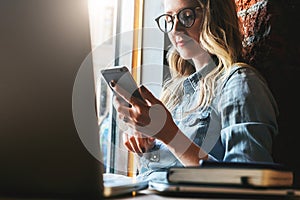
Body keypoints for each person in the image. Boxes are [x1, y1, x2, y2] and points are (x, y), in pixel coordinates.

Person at [110, 0, 279, 175]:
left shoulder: (239, 83)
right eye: (169, 19)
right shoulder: (174, 93)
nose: (175, 29)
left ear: (214, 17)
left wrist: (169, 135)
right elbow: (156, 174)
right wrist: (146, 144)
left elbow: (248, 182)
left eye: (187, 16)